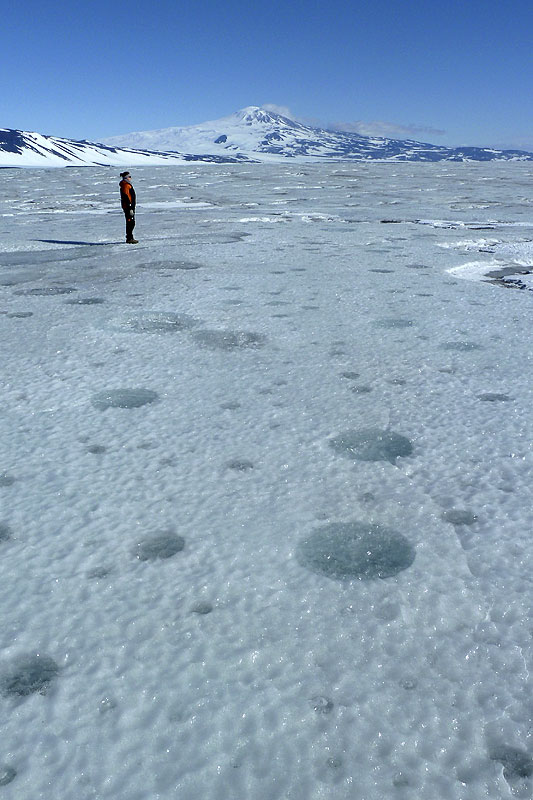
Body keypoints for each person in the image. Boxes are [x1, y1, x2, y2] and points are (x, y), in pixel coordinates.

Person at [119, 171, 138, 243]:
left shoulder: (127, 185)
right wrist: (130, 207)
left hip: (129, 206)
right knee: (130, 222)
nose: (130, 178)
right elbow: (126, 197)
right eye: (129, 177)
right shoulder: (126, 185)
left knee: (131, 222)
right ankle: (129, 238)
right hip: (128, 207)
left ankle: (130, 237)